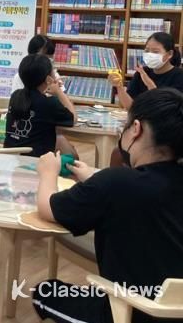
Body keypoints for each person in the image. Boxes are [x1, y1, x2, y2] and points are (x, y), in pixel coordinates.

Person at [33, 88, 183, 323]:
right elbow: (142, 189)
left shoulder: (114, 183)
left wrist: (48, 172)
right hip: (175, 309)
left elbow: (47, 208)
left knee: (45, 292)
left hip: (128, 312)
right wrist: (95, 177)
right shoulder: (118, 183)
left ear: (136, 128)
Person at [4, 54, 77, 157]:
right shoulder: (49, 103)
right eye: (53, 72)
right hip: (35, 161)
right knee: (71, 157)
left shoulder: (16, 95)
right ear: (48, 79)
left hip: (9, 156)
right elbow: (73, 119)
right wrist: (59, 92)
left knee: (63, 144)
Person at [109, 32, 183, 110]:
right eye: (147, 51)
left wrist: (150, 85)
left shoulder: (179, 76)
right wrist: (119, 86)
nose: (150, 55)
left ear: (169, 54)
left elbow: (167, 111)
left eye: (155, 51)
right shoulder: (142, 72)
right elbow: (130, 106)